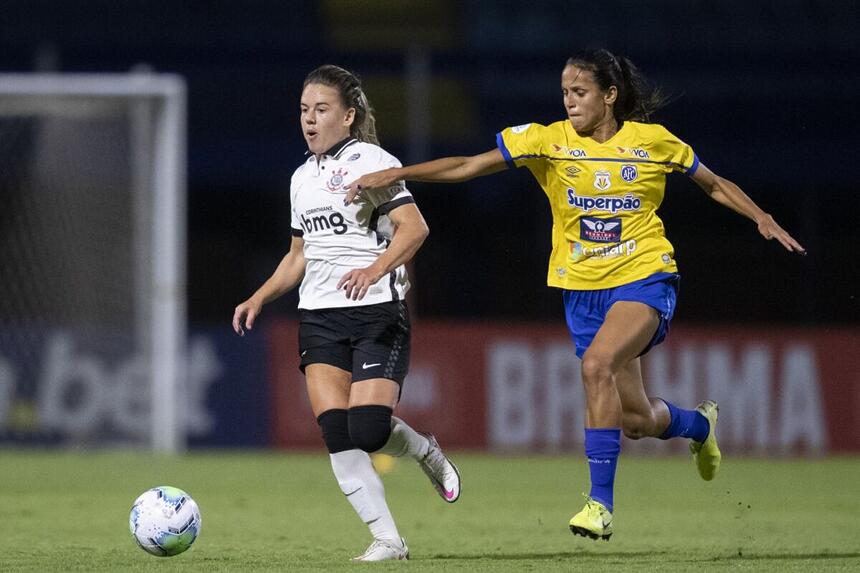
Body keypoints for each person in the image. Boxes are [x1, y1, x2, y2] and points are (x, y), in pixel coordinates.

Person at [344, 49, 805, 541]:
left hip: (645, 275)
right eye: (565, 92)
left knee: (595, 365)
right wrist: (398, 174)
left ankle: (599, 506)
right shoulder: (547, 141)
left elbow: (713, 184)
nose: (569, 101)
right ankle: (698, 427)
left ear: (609, 96)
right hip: (582, 289)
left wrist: (761, 216)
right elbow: (469, 166)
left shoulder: (653, 143)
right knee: (636, 419)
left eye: (580, 92)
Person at [232, 64, 461, 562]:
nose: (309, 120)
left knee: (369, 429)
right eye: (303, 111)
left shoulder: (372, 161)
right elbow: (298, 256)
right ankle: (388, 541)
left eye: (321, 110)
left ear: (349, 115)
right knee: (337, 432)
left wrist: (375, 270)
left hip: (377, 311)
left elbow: (414, 229)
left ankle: (424, 451)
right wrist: (259, 296)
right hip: (319, 316)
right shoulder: (300, 179)